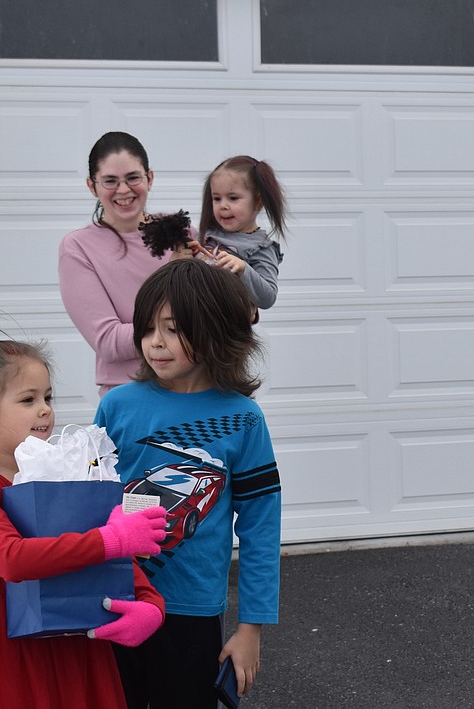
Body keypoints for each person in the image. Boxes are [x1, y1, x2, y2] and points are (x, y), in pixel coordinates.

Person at [0, 320, 167, 709]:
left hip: (74, 637)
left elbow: (115, 559)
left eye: (47, 397)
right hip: (4, 647)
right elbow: (13, 559)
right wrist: (109, 540)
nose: (45, 410)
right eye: (28, 400)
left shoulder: (67, 474)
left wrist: (150, 605)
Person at [95, 258, 282, 708]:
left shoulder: (243, 419)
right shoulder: (117, 406)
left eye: (174, 329)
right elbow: (89, 503)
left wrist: (250, 628)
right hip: (115, 600)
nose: (155, 343)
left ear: (216, 329)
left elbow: (260, 526)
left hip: (192, 611)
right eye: (147, 328)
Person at [60, 132, 182, 395]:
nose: (124, 190)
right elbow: (109, 342)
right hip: (131, 394)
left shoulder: (182, 234)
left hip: (195, 388)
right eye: (110, 181)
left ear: (150, 178)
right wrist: (183, 325)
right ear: (92, 186)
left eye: (133, 178)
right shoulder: (79, 248)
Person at [194, 155, 287, 310]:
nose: (223, 205)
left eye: (233, 198)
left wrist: (243, 269)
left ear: (257, 202)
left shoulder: (261, 247)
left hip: (226, 330)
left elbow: (268, 298)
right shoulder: (205, 235)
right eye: (217, 198)